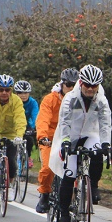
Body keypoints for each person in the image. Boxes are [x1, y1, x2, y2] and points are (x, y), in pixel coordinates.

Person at [48, 65, 112, 222]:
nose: (91, 89)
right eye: (87, 85)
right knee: (69, 174)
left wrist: (107, 143)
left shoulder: (101, 100)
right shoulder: (70, 98)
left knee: (98, 152)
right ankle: (64, 217)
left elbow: (105, 123)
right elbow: (64, 122)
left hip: (90, 134)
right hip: (70, 135)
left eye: (95, 86)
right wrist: (66, 142)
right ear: (81, 83)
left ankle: (94, 185)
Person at [35, 68, 79, 213]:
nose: (71, 88)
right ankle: (45, 194)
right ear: (62, 84)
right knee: (48, 168)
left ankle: (77, 195)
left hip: (70, 139)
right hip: (51, 139)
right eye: (68, 85)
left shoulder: (79, 101)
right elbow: (43, 120)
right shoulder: (50, 99)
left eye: (74, 85)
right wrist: (43, 137)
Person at [14, 80, 38, 168]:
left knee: (29, 140)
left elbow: (35, 115)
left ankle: (28, 156)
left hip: (26, 125)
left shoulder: (32, 102)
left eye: (26, 93)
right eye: (20, 93)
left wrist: (35, 127)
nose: (23, 95)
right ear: (16, 93)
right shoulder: (12, 101)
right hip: (13, 125)